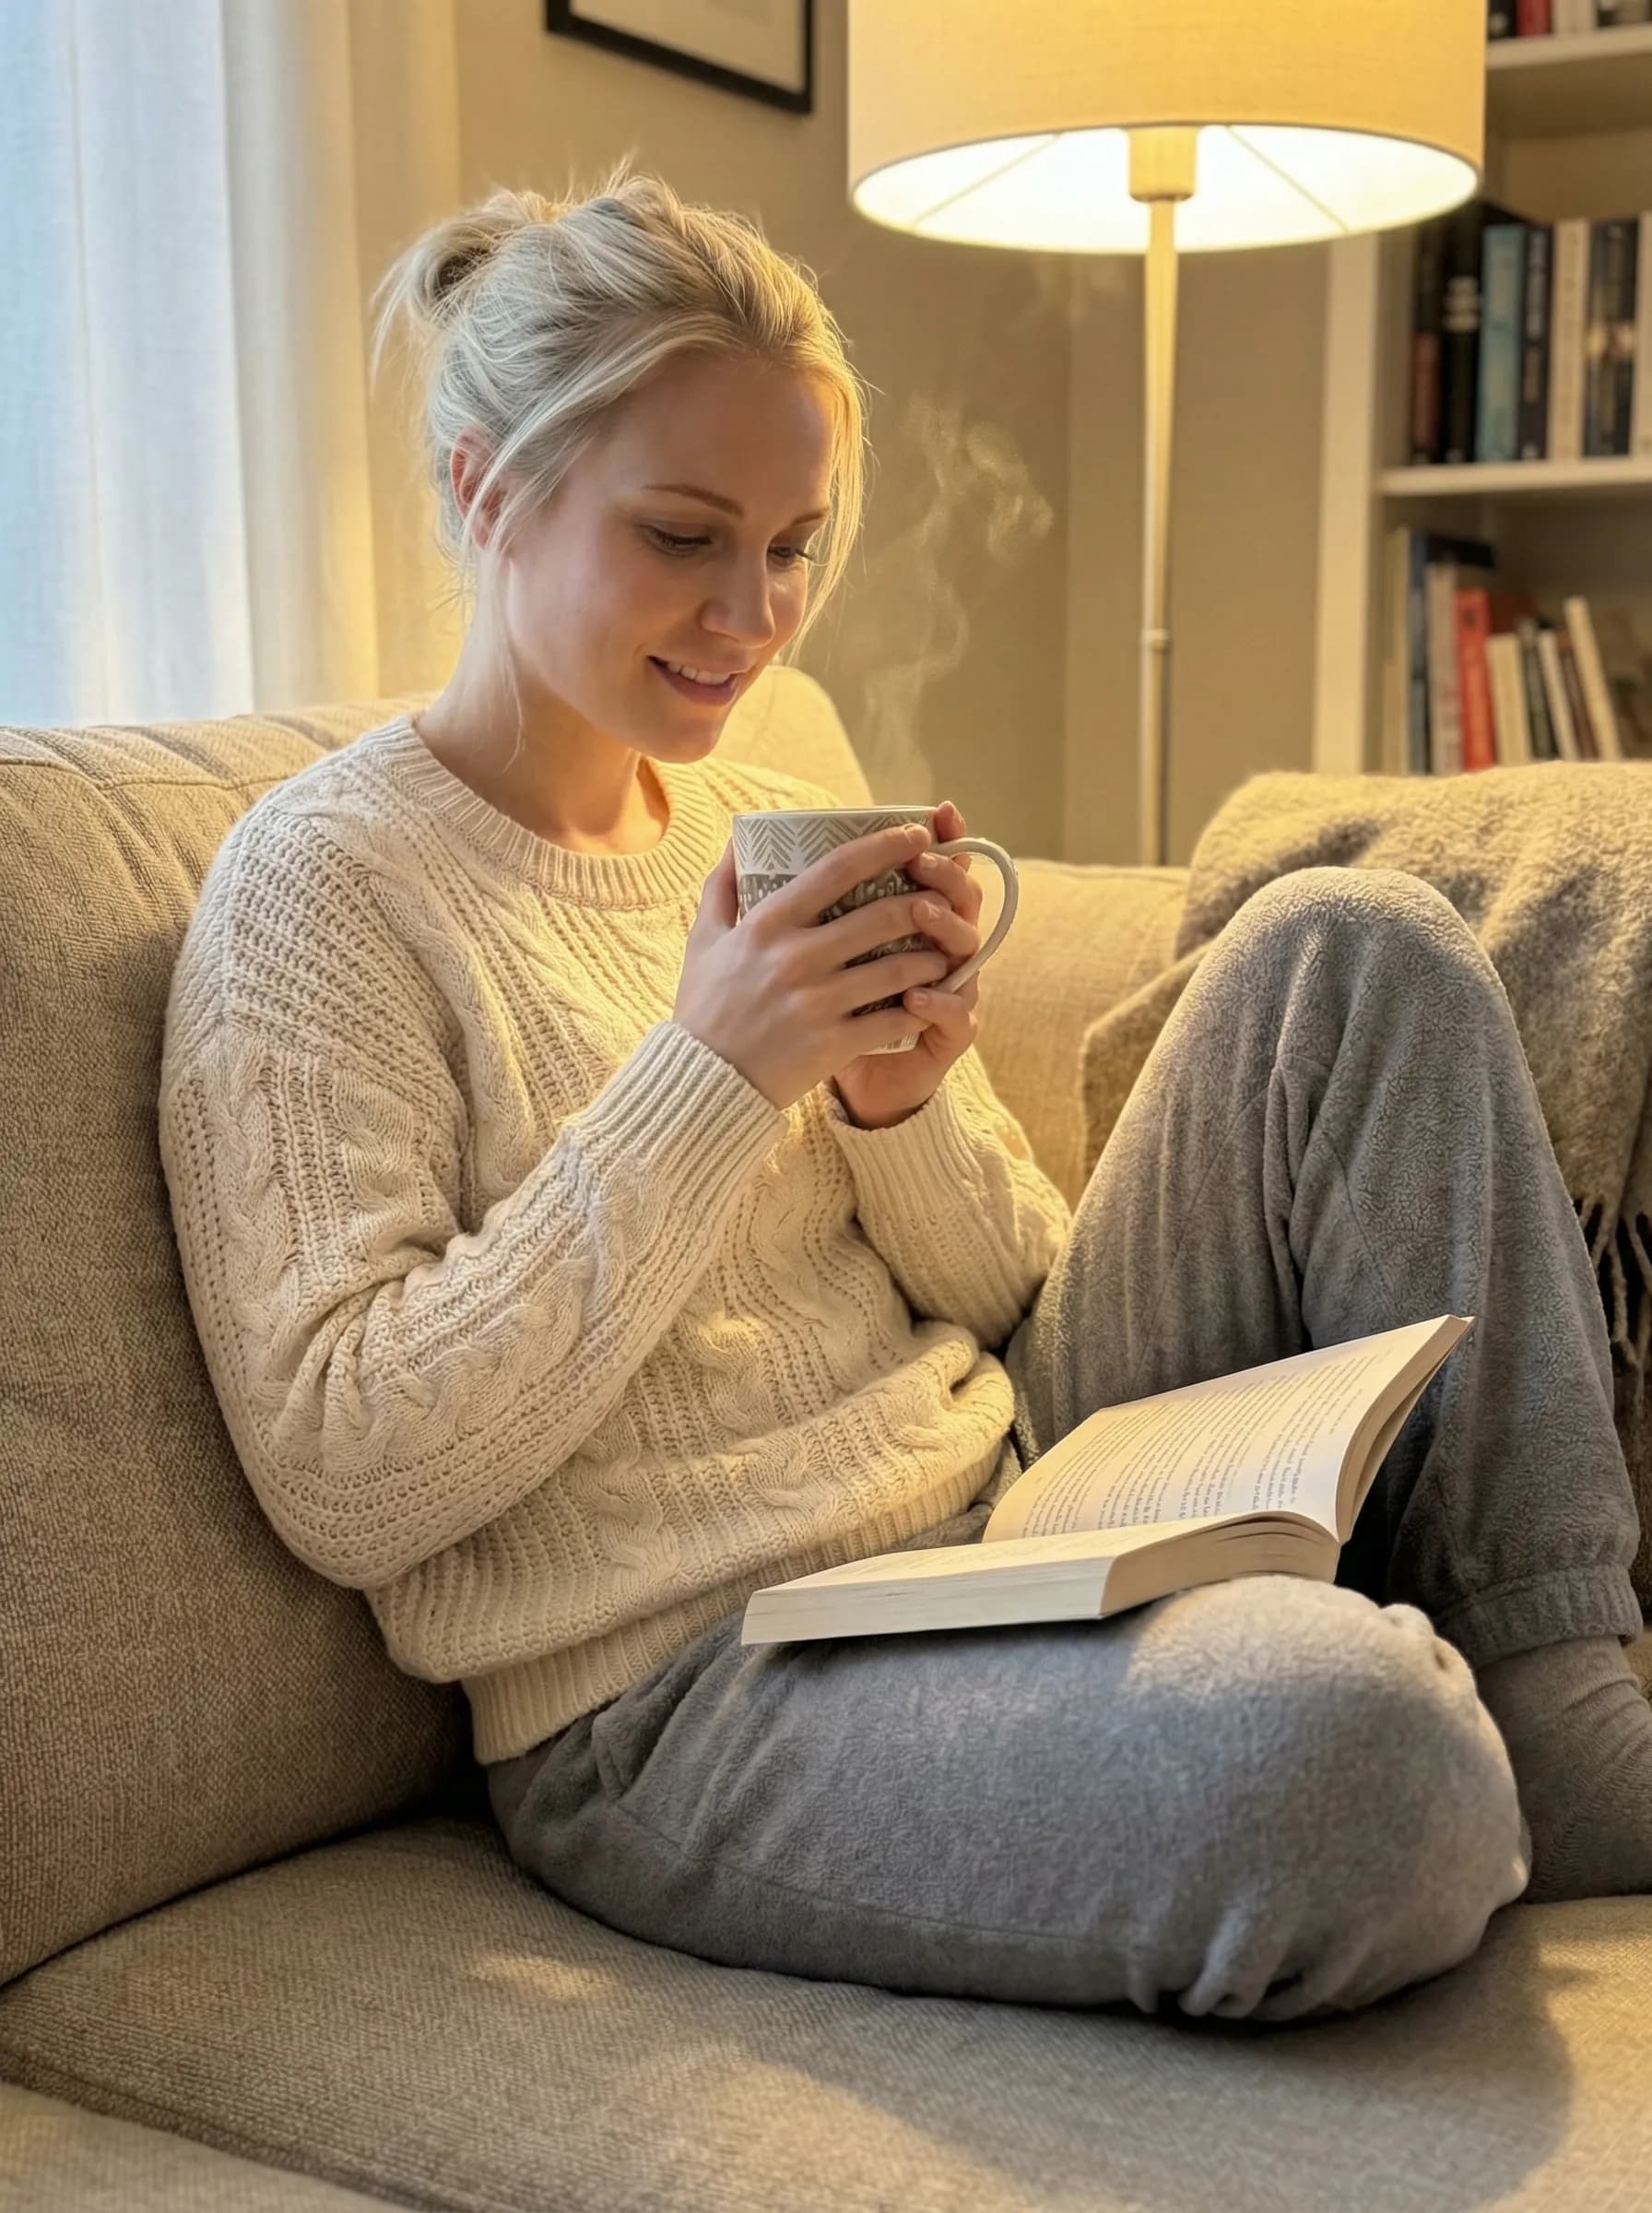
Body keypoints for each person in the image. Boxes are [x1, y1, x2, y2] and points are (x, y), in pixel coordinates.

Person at [157, 160, 1652, 2032]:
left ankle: (1554, 1680)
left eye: (788, 545)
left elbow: (1013, 1293)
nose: (750, 613)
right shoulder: (321, 894)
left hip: (995, 1492)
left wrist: (892, 1101)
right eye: (683, 535)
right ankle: (1397, 1721)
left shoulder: (728, 826)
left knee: (1355, 944)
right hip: (684, 1689)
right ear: (484, 494)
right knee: (1358, 1767)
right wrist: (711, 1075)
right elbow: (345, 1471)